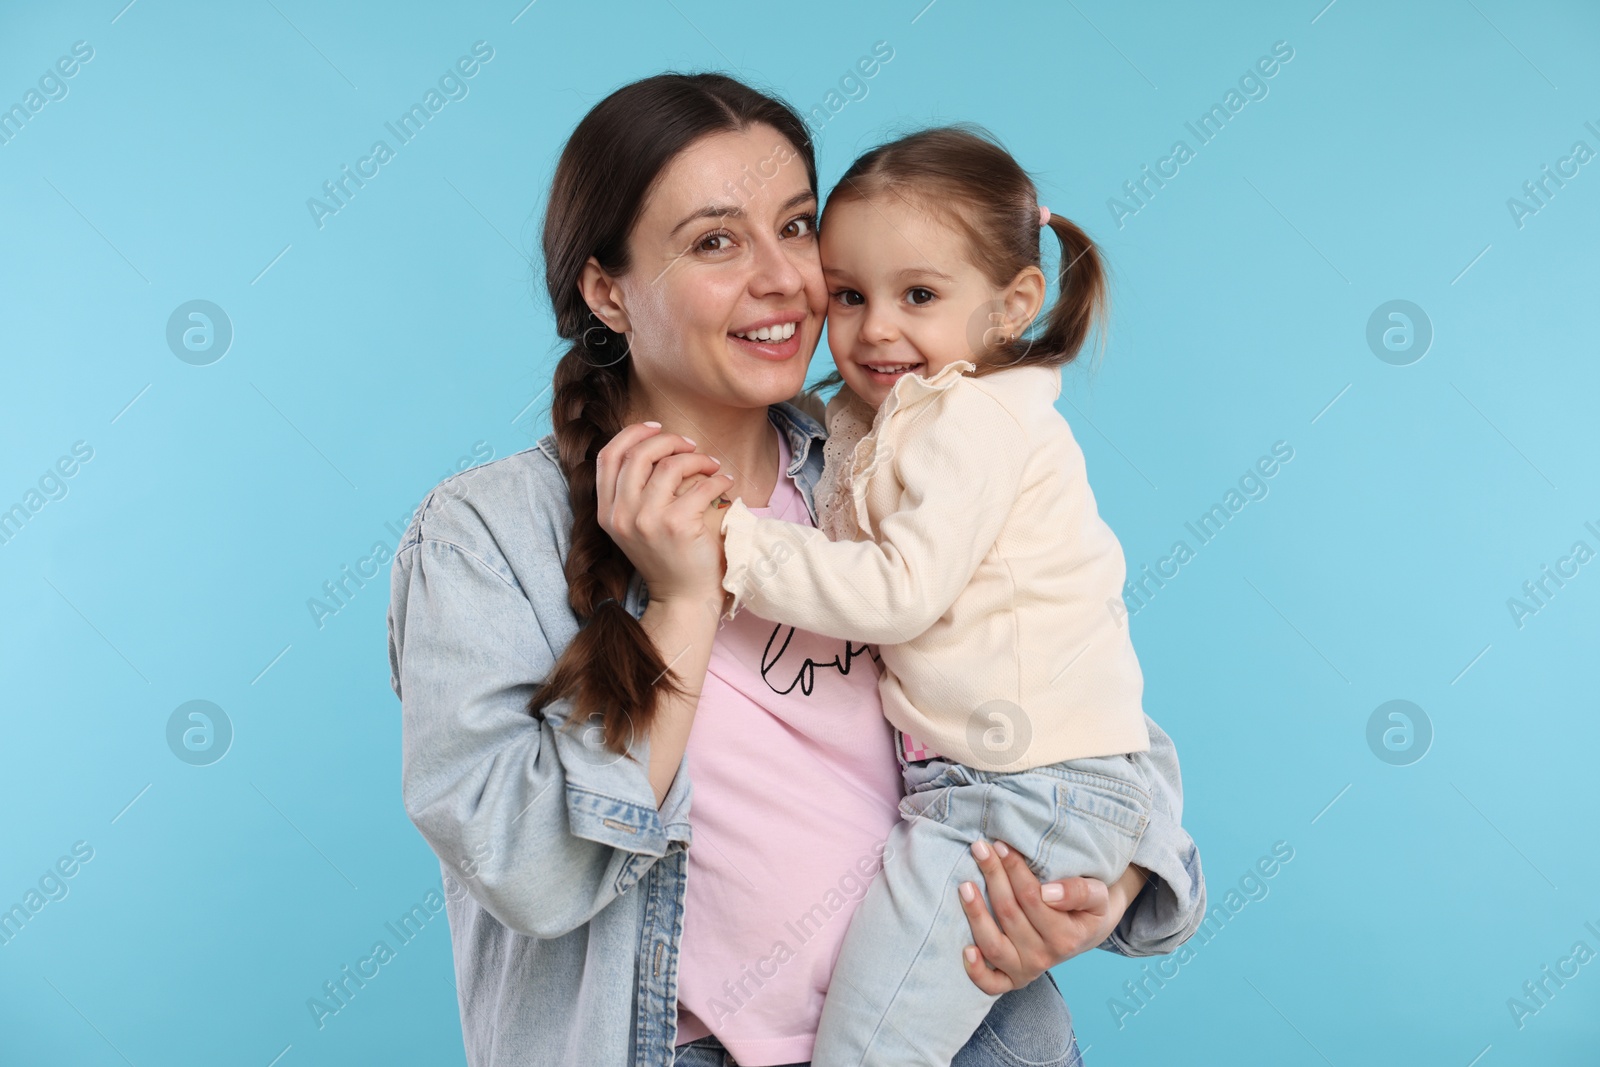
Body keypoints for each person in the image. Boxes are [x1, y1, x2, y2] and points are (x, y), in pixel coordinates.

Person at [386, 71, 1205, 1067]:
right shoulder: (486, 537)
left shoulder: (886, 463)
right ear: (607, 289)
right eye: (716, 240)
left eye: (796, 225)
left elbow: (1086, 709)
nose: (783, 278)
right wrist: (684, 597)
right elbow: (530, 870)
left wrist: (1095, 896)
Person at [699, 125, 1202, 1066]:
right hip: (1004, 785)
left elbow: (898, 594)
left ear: (1014, 305)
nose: (875, 328)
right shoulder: (893, 414)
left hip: (1011, 793)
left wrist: (731, 542)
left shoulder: (973, 419)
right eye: (847, 295)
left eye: (919, 296)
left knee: (870, 1047)